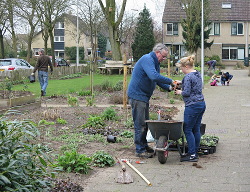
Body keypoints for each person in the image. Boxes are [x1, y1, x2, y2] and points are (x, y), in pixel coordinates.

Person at [127, 43, 179, 158]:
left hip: (143, 96)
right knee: (140, 124)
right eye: (163, 56)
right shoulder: (147, 59)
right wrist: (171, 81)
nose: (164, 59)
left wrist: (170, 88)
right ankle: (139, 150)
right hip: (137, 95)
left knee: (145, 123)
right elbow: (154, 76)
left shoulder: (155, 62)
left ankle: (144, 146)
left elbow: (157, 80)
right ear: (157, 53)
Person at [175, 55, 206, 162]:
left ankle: (192, 155)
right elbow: (194, 85)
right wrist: (182, 82)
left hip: (192, 106)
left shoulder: (187, 77)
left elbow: (187, 92)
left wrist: (180, 92)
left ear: (187, 66)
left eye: (181, 68)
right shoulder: (197, 73)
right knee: (196, 129)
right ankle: (195, 152)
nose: (181, 70)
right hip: (201, 104)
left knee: (187, 129)